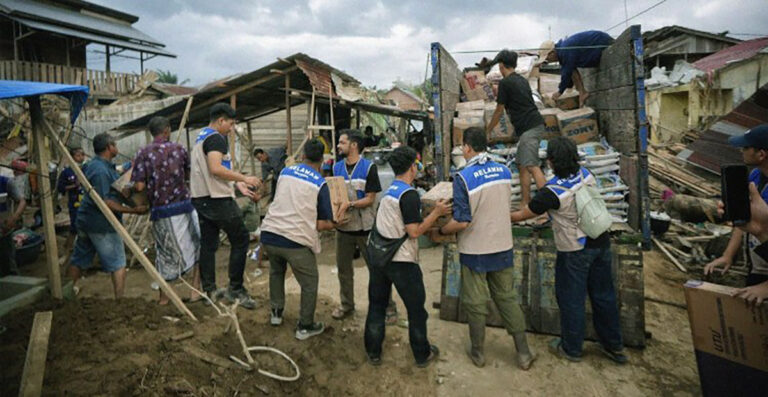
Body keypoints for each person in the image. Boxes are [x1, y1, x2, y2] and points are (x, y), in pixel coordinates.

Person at [510, 136, 627, 364]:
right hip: (601, 243)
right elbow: (554, 192)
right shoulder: (586, 175)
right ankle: (614, 346)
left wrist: (497, 215)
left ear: (551, 162)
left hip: (575, 251)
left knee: (571, 300)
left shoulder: (552, 193)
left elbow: (524, 214)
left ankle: (571, 349)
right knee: (604, 296)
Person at [438, 127, 535, 370]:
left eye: (462, 146)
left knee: (475, 302)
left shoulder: (463, 177)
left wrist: (440, 230)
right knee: (507, 298)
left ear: (468, 148)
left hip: (475, 249)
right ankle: (523, 352)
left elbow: (462, 221)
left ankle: (478, 352)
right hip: (503, 245)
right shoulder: (503, 170)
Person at [364, 146, 451, 368]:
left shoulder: (390, 191)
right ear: (413, 166)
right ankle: (422, 354)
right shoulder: (409, 194)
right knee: (416, 310)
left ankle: (373, 352)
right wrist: (437, 213)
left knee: (377, 306)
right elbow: (413, 232)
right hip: (402, 262)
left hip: (379, 259)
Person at [260, 139, 335, 340]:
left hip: (270, 233)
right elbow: (323, 222)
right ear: (322, 160)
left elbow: (278, 199)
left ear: (302, 156)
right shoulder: (320, 183)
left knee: (276, 272)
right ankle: (305, 325)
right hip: (295, 241)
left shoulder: (285, 172)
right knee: (309, 282)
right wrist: (338, 221)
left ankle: (276, 313)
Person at [190, 103, 262, 309]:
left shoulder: (201, 137)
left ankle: (210, 289)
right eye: (230, 124)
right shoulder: (216, 139)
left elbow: (213, 169)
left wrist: (236, 182)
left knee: (209, 244)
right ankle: (236, 289)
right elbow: (215, 168)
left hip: (201, 198)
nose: (231, 129)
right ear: (221, 121)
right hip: (217, 200)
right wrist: (244, 177)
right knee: (240, 239)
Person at [128, 116, 203, 305]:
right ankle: (195, 291)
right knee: (197, 245)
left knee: (165, 253)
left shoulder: (143, 152)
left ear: (151, 132)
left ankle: (164, 298)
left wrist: (128, 189)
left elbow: (138, 186)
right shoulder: (179, 149)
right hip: (184, 206)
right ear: (167, 130)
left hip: (162, 210)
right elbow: (188, 174)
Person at [68, 133, 147, 298]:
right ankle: (119, 300)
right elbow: (106, 203)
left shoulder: (98, 165)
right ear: (109, 147)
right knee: (118, 262)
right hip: (101, 224)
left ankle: (67, 293)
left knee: (80, 258)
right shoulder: (101, 170)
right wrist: (134, 211)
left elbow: (116, 187)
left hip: (86, 220)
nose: (117, 148)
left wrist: (130, 182)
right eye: (115, 145)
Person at [330, 130, 396, 321]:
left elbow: (370, 199)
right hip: (343, 228)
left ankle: (388, 307)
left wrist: (349, 205)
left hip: (366, 228)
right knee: (344, 270)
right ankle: (347, 305)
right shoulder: (336, 168)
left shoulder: (369, 168)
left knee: (377, 269)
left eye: (342, 142)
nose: (338, 146)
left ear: (353, 145)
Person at [705, 124, 768, 287]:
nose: (741, 150)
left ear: (761, 154)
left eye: (746, 147)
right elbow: (744, 220)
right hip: (757, 264)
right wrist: (728, 255)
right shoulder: (755, 176)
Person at [486, 49, 546, 207]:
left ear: (501, 65)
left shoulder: (505, 83)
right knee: (522, 165)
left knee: (531, 165)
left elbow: (499, 110)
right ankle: (525, 203)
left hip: (530, 129)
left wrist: (488, 130)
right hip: (533, 126)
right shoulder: (522, 80)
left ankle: (548, 207)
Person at [537, 30, 614, 106]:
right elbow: (568, 71)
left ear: (552, 52)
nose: (549, 61)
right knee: (571, 69)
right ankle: (582, 92)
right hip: (598, 43)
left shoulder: (565, 50)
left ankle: (582, 92)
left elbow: (566, 73)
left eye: (548, 58)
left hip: (601, 42)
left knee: (569, 68)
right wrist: (568, 87)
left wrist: (560, 92)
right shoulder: (564, 51)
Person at [57, 147, 85, 255]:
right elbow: (61, 188)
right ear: (72, 157)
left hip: (86, 203)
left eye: (82, 155)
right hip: (75, 204)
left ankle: (81, 249)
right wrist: (74, 185)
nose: (81, 157)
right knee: (75, 226)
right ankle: (67, 249)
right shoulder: (67, 172)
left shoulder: (86, 169)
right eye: (78, 155)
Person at [0, 171, 26, 276]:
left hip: (4, 232)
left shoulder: (5, 182)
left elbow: (22, 201)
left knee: (8, 264)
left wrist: (14, 217)